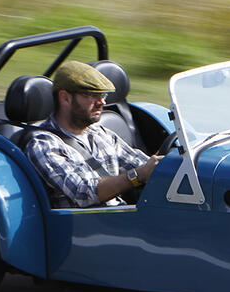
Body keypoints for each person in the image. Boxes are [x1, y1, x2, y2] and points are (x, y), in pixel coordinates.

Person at [26, 61, 161, 208]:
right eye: (92, 95)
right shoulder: (44, 145)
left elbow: (141, 163)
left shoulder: (99, 134)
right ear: (65, 98)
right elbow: (84, 193)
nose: (102, 102)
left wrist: (166, 166)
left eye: (102, 95)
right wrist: (138, 175)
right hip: (83, 227)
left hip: (119, 219)